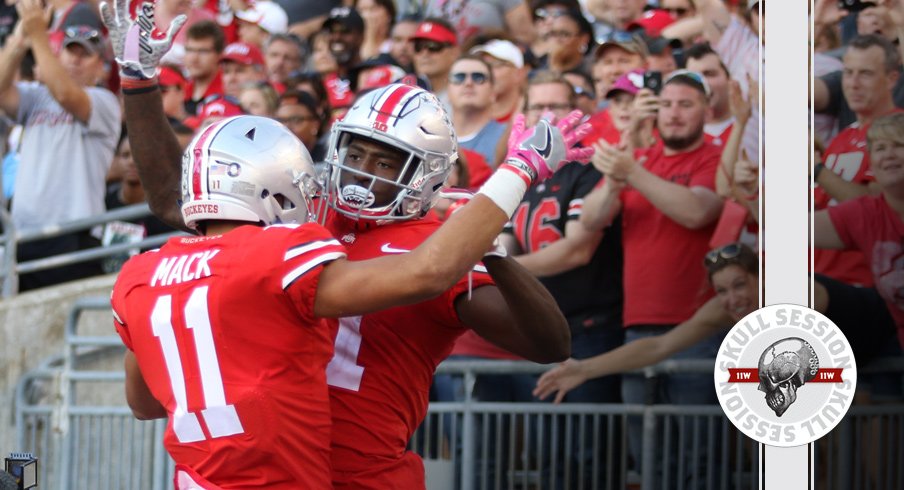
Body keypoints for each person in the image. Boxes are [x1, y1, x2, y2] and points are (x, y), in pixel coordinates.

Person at [101, 3, 594, 489]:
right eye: (354, 152)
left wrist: (483, 242)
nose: (360, 171)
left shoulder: (438, 245)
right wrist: (142, 84)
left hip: (364, 474)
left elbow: (550, 344)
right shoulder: (307, 213)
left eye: (385, 163)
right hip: (280, 465)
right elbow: (181, 201)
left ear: (425, 172)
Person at [535, 242, 757, 402]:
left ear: (763, 277)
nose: (733, 299)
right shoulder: (720, 309)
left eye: (740, 285)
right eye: (722, 291)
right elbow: (659, 346)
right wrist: (584, 369)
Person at [0, 2, 121, 291]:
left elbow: (67, 95)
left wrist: (39, 36)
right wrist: (21, 41)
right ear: (59, 53)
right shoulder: (37, 96)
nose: (75, 60)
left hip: (73, 234)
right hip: (25, 234)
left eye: (85, 54)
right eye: (70, 50)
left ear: (102, 69)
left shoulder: (105, 102)